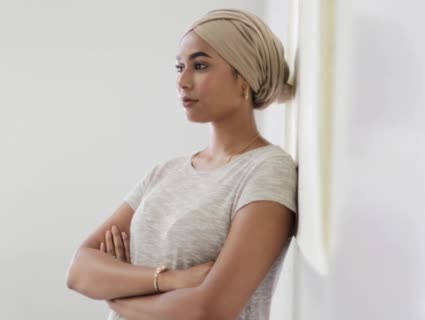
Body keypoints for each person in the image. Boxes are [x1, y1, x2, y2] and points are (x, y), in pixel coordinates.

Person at [66, 9, 297, 320]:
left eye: (200, 66)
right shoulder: (164, 173)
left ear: (245, 78)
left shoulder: (268, 171)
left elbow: (209, 309)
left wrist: (118, 298)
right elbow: (79, 271)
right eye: (179, 67)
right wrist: (168, 279)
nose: (182, 81)